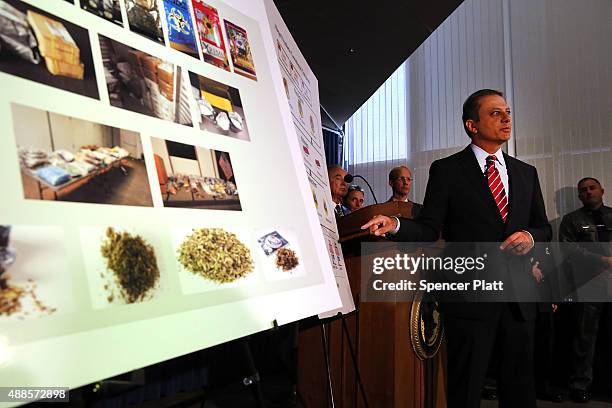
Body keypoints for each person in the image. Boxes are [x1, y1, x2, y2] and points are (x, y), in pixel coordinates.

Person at [362, 89, 551, 408]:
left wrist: (530, 237)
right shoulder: (448, 170)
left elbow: (544, 228)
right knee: (466, 388)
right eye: (495, 113)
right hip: (471, 297)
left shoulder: (526, 173)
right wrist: (396, 225)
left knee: (520, 390)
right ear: (471, 125)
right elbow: (429, 227)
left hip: (518, 300)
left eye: (507, 112)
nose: (506, 118)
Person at [559, 177, 612, 403]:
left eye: (592, 188)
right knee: (585, 338)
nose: (588, 192)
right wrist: (601, 260)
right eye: (584, 190)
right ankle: (580, 385)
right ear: (579, 196)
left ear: (602, 190)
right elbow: (568, 251)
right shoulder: (571, 220)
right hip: (589, 283)